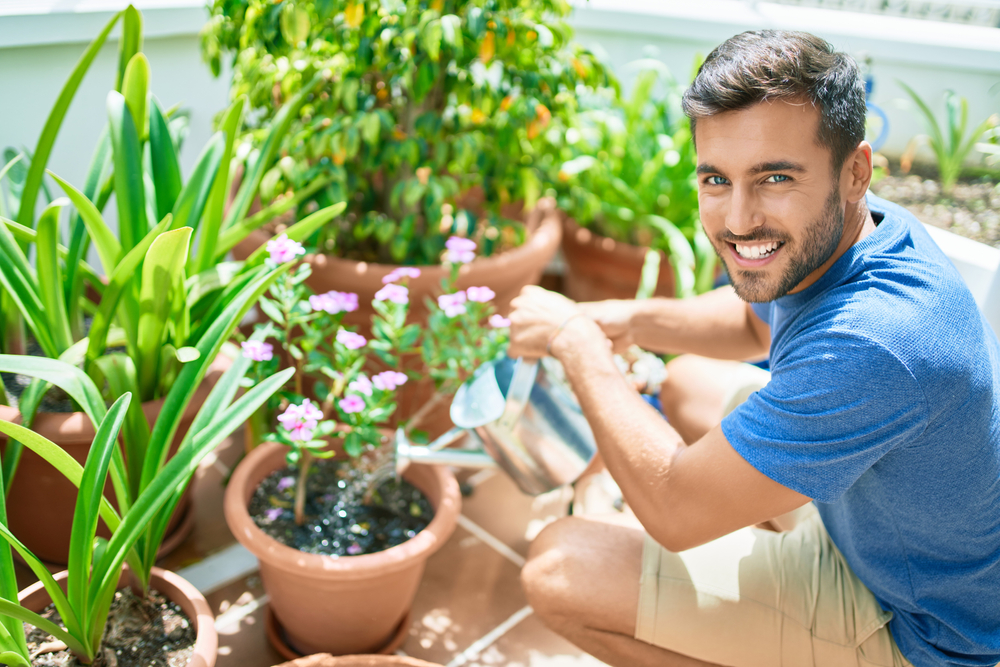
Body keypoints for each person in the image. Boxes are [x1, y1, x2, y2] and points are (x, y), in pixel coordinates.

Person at [507, 30, 1000, 667]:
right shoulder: (860, 224)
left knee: (560, 567)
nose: (739, 220)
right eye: (716, 178)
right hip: (870, 524)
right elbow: (754, 324)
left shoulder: (874, 341)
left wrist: (578, 343)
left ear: (855, 170)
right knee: (687, 384)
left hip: (924, 629)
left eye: (773, 178)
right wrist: (627, 319)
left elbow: (674, 509)